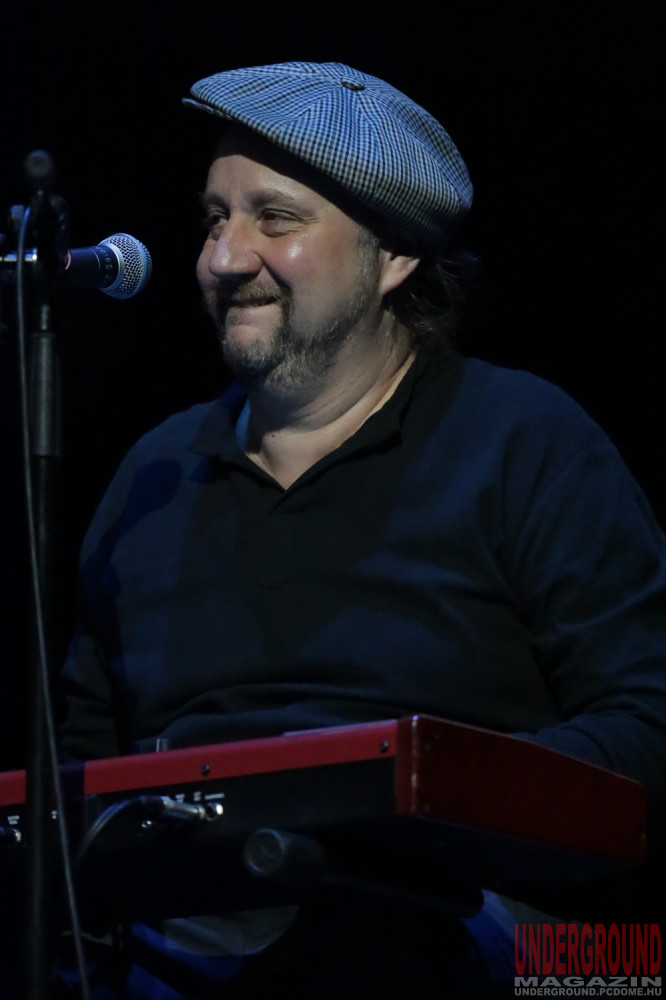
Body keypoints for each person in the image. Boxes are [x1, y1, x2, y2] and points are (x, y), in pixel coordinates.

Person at [56, 62, 666, 998]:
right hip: (196, 933)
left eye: (276, 218)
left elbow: (648, 728)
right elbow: (78, 773)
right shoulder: (154, 475)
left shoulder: (528, 439)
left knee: (378, 957)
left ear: (395, 256)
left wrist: (424, 797)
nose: (225, 257)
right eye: (215, 219)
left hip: (518, 934)